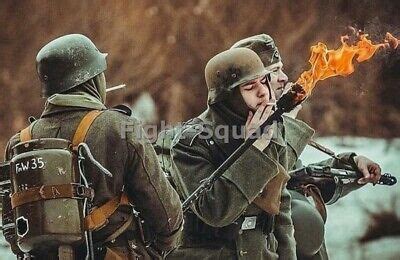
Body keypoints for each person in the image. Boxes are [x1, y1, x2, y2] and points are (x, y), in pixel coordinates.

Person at [2, 34, 183, 259]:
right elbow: (167, 218)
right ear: (92, 80)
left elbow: (13, 232)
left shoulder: (19, 143)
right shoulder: (119, 127)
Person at [231, 34, 382, 259]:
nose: (284, 78)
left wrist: (351, 164)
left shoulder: (273, 125)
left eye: (281, 69)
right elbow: (272, 186)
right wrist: (289, 126)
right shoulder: (232, 135)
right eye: (272, 73)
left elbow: (297, 180)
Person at [167, 47, 314, 260]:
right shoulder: (192, 142)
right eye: (249, 87)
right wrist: (253, 148)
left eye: (264, 82)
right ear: (229, 97)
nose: (263, 92)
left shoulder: (270, 128)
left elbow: (280, 208)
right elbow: (216, 210)